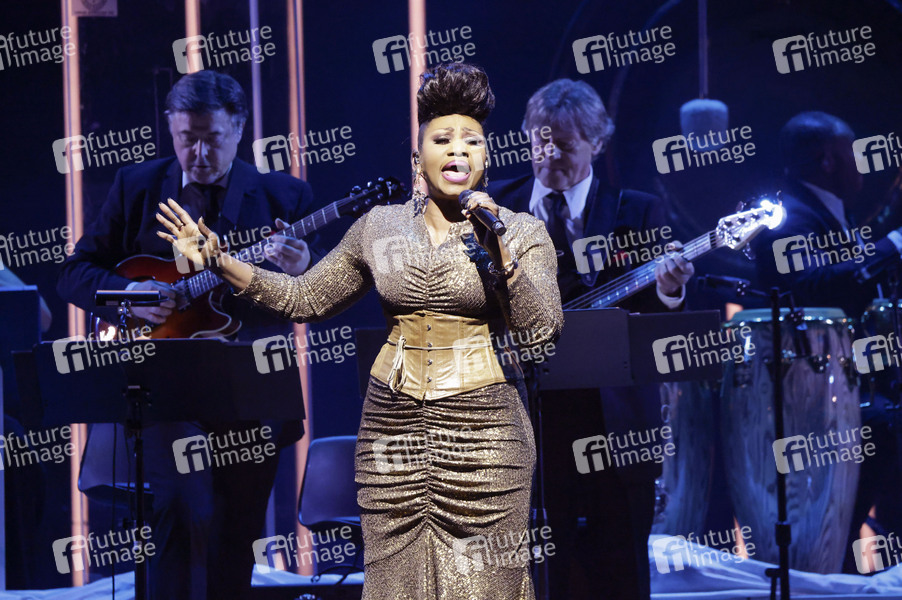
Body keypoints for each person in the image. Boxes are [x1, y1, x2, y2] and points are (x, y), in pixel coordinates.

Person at [157, 63, 563, 599]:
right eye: (443, 140)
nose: (458, 151)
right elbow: (304, 298)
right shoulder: (378, 228)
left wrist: (501, 255)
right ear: (418, 157)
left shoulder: (523, 231)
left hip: (485, 437)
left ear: (486, 157)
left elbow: (542, 333)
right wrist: (220, 261)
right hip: (391, 434)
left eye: (472, 141)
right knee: (394, 586)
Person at [57, 70, 316, 600]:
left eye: (211, 139)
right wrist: (132, 296)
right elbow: (74, 273)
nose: (197, 153)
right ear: (171, 130)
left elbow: (325, 294)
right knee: (179, 510)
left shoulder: (284, 196)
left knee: (236, 534)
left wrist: (302, 268)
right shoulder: (136, 186)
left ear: (239, 128)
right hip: (164, 391)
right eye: (185, 138)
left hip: (252, 393)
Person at [489, 79, 694, 600]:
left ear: (597, 144)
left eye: (565, 144)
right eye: (540, 142)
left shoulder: (636, 211)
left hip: (615, 426)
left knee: (620, 573)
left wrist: (669, 291)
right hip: (523, 419)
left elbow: (655, 326)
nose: (549, 155)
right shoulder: (490, 209)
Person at [750, 111, 902, 574]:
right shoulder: (787, 218)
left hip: (854, 383)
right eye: (853, 153)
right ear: (828, 160)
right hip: (813, 394)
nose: (863, 164)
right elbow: (813, 286)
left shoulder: (831, 210)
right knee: (884, 431)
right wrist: (893, 244)